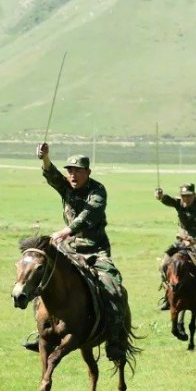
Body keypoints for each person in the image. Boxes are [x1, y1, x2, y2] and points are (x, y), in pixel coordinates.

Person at [30, 142, 129, 361]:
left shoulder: (98, 190)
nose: (73, 175)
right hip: (68, 250)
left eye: (78, 171)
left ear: (88, 172)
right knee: (42, 281)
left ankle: (114, 338)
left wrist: (67, 230)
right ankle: (41, 333)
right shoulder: (65, 186)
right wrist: (45, 157)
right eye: (70, 171)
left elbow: (89, 214)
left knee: (113, 287)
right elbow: (51, 175)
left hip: (96, 251)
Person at [155, 183, 196, 311]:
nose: (186, 199)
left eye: (189, 196)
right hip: (181, 242)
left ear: (194, 195)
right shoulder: (179, 203)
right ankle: (167, 296)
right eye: (184, 196)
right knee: (163, 265)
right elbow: (167, 200)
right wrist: (160, 195)